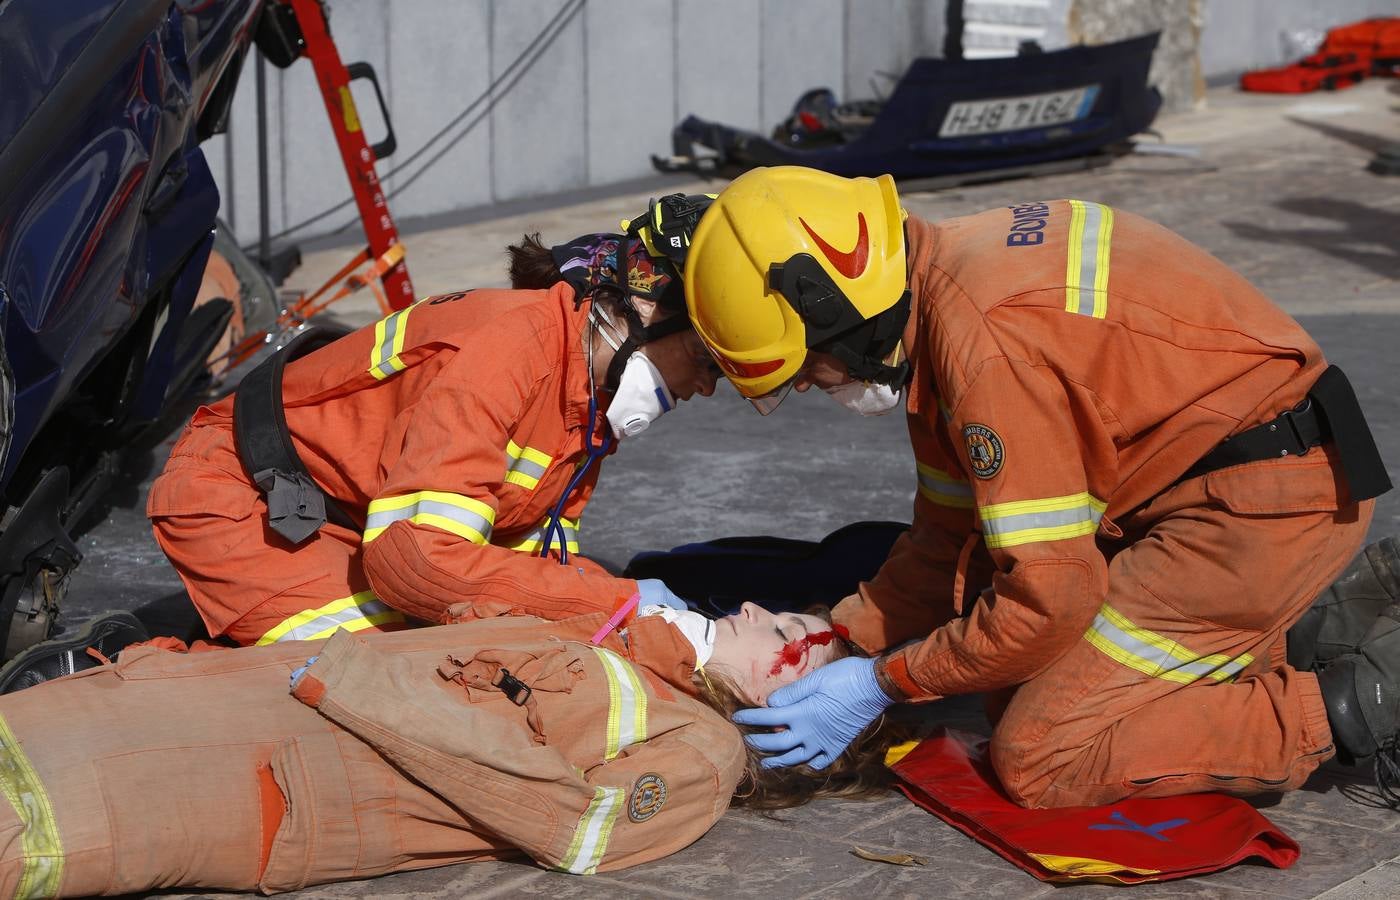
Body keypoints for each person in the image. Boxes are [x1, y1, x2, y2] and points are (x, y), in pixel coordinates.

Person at [680, 165, 1396, 809]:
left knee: (1043, 752)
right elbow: (946, 540)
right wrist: (847, 644)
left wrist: (881, 684)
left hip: (1260, 509)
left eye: (803, 368)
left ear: (833, 314)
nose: (809, 385)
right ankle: (1333, 607)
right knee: (1011, 678)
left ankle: (1365, 697)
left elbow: (1049, 599)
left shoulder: (983, 353)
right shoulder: (942, 287)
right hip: (1247, 478)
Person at [0, 600, 901, 895]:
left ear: (801, 704)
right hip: (172, 713)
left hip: (216, 781)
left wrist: (358, 689)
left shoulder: (703, 756)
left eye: (785, 628)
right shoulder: (644, 667)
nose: (750, 610)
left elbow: (582, 827)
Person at [136, 196, 719, 653]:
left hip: (341, 518)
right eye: (701, 359)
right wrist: (617, 601)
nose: (707, 387)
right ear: (644, 310)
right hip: (246, 498)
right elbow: (415, 563)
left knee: (501, 648)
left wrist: (612, 613)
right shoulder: (512, 351)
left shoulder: (587, 395)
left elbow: (531, 555)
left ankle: (223, 622)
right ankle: (124, 658)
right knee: (384, 684)